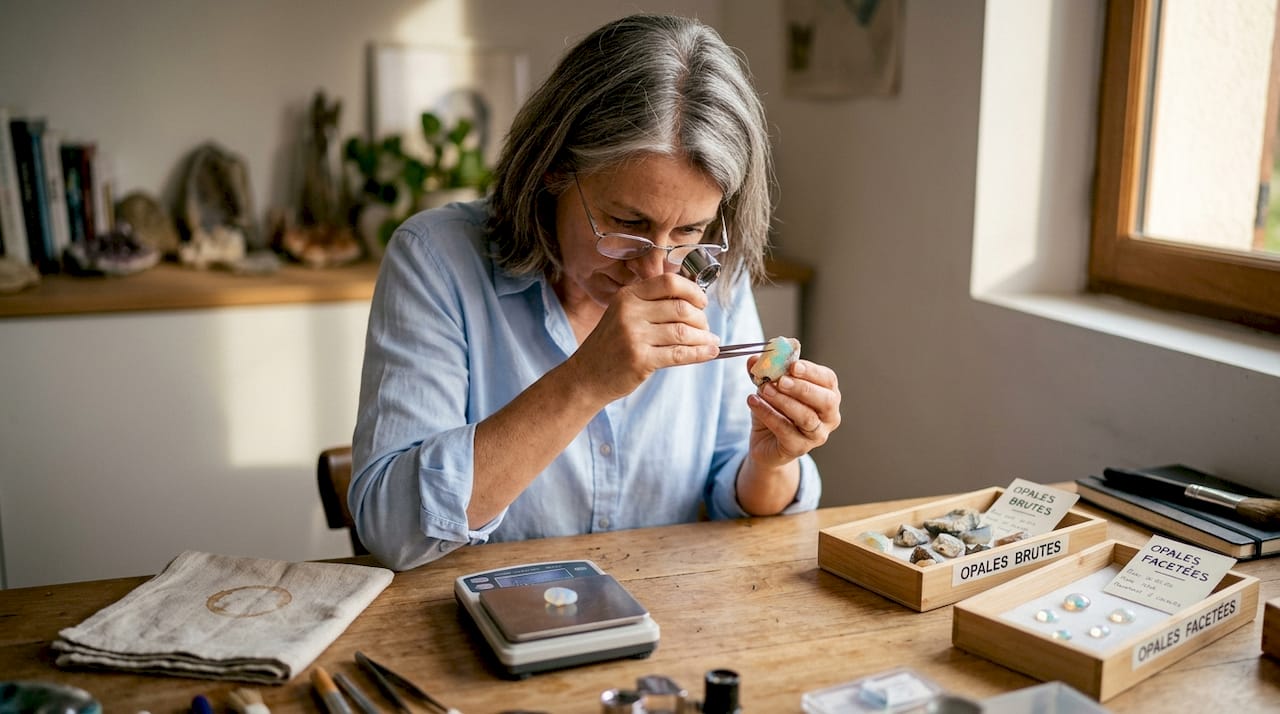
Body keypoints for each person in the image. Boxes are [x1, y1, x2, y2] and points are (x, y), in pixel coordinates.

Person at [350, 13, 842, 571]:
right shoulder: (436, 259)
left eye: (688, 230)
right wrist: (585, 381)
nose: (655, 267)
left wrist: (772, 461)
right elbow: (390, 529)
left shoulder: (712, 271)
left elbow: (736, 494)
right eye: (627, 222)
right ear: (553, 171)